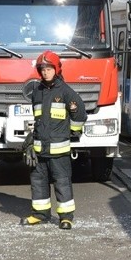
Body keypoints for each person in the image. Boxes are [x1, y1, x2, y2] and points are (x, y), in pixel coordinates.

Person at [23, 50, 87, 230]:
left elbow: (80, 114)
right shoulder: (37, 92)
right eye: (42, 69)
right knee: (38, 182)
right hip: (39, 149)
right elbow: (38, 120)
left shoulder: (66, 92)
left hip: (59, 151)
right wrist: (31, 140)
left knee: (62, 182)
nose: (45, 72)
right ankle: (40, 214)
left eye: (49, 68)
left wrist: (71, 132)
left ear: (57, 69)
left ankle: (66, 218)